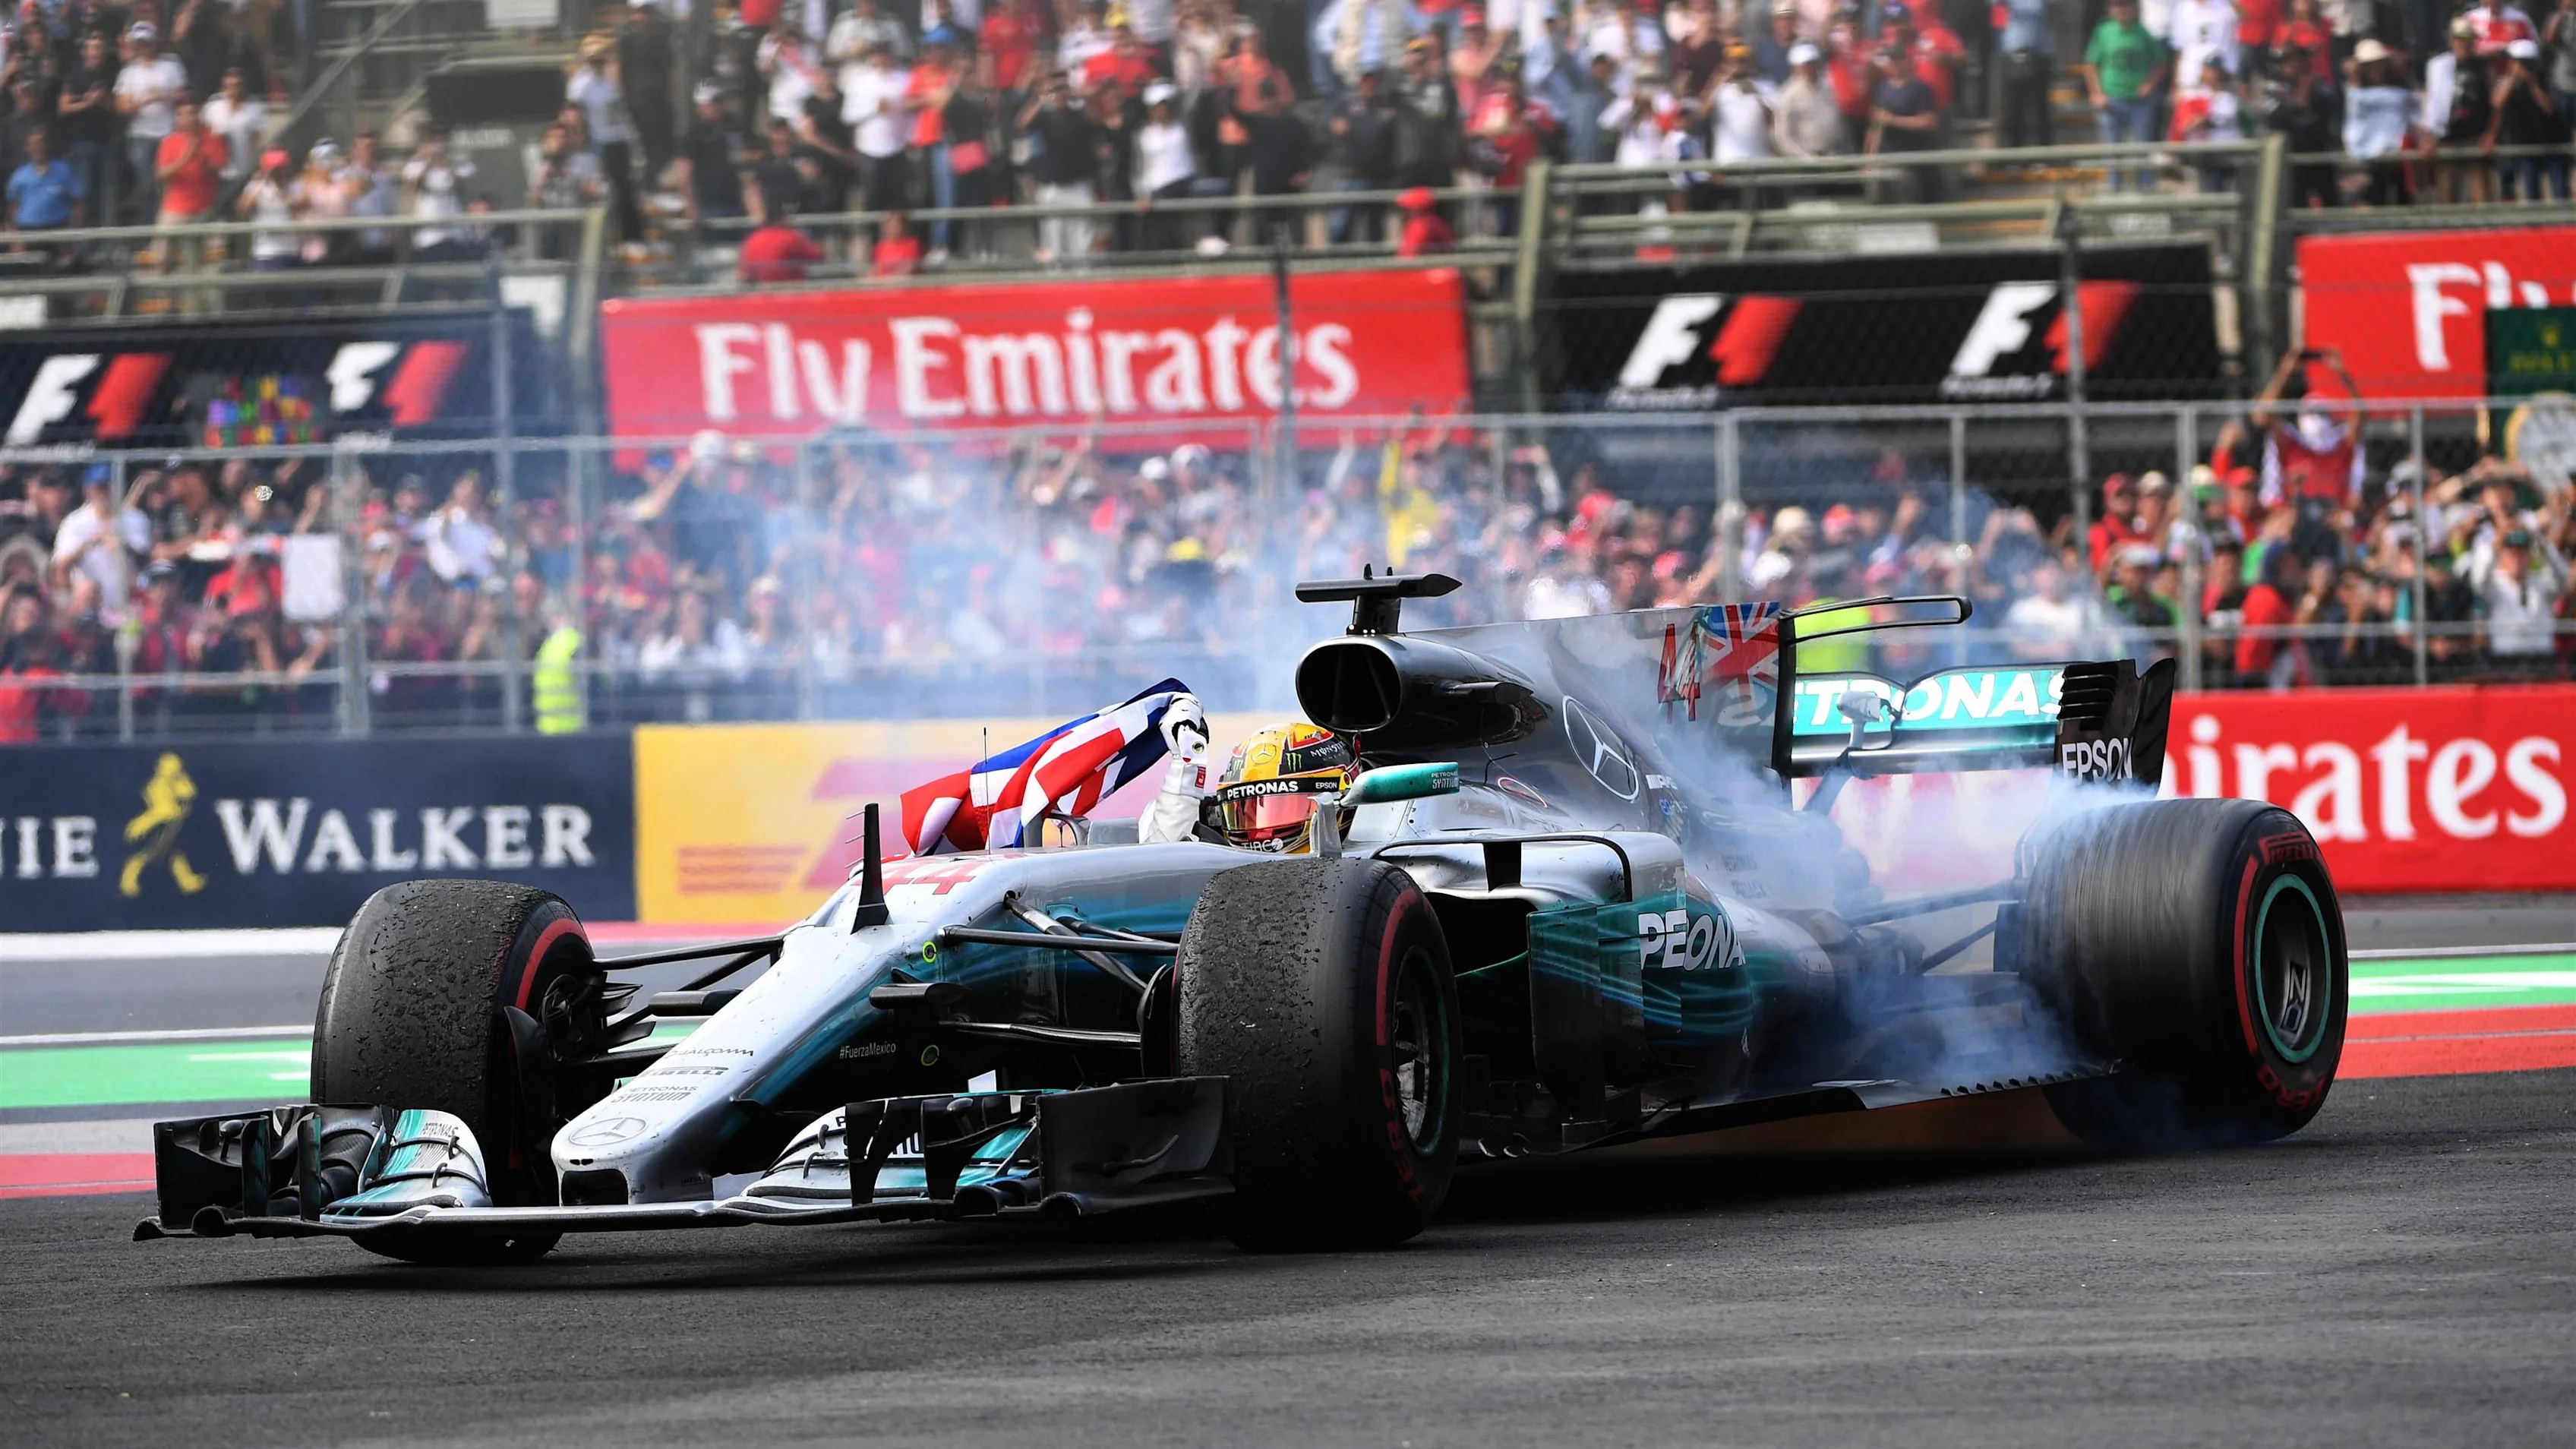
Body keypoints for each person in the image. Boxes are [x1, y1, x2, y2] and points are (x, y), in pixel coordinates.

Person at [2082, 0, 2168, 189]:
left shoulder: (2142, 32)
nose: (2122, 10)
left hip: (2140, 101)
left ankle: (2146, 189)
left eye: (2126, 5)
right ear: (2111, 9)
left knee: (2142, 147)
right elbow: (2090, 65)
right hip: (2112, 99)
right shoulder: (2103, 31)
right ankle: (2114, 189)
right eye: (2117, 6)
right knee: (2112, 149)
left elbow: (2162, 61)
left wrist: (2149, 84)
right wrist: (2096, 93)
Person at [567, 34, 643, 241]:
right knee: (606, 190)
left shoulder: (613, 78)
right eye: (594, 59)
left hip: (621, 138)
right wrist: (583, 143)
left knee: (627, 188)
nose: (599, 63)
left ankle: (632, 234)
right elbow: (574, 117)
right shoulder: (581, 85)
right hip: (600, 142)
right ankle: (611, 236)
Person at [113, 23, 188, 221]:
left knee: (170, 185)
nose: (144, 47)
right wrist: (146, 100)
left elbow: (182, 94)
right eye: (139, 43)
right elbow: (122, 107)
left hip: (169, 133)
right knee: (147, 186)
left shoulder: (172, 64)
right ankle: (149, 230)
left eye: (147, 43)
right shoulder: (128, 72)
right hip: (141, 135)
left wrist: (165, 96)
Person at [2421, 18, 2494, 204]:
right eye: (2459, 38)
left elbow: (2493, 103)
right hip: (2447, 137)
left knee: (2483, 197)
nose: (2463, 43)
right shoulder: (2438, 66)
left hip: (2475, 137)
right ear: (2451, 41)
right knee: (2448, 196)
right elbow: (2432, 102)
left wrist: (2491, 133)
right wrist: (2429, 135)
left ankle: (2486, 232)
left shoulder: (2483, 66)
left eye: (2467, 39)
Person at [2342, 38, 2415, 205]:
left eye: (2378, 64)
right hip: (2371, 157)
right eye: (2370, 65)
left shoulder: (2401, 88)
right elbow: (2353, 118)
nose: (2375, 70)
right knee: (2377, 199)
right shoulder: (2354, 92)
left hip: (2398, 155)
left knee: (2403, 199)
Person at [2490, 37, 2561, 200]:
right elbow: (2497, 102)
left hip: (2540, 144)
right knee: (2518, 189)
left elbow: (2549, 108)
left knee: (2545, 190)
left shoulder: (2543, 80)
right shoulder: (2506, 80)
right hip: (2516, 144)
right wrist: (2513, 78)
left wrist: (2531, 82)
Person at [677, 81, 750, 224]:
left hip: (738, 202)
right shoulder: (693, 135)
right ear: (700, 106)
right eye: (712, 102)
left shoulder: (735, 128)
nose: (716, 106)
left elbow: (746, 166)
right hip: (709, 205)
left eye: (719, 101)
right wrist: (691, 207)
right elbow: (684, 175)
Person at [402, 128, 478, 260]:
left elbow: (464, 186)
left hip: (455, 232)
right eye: (435, 141)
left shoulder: (459, 162)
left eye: (443, 141)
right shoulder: (417, 163)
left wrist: (448, 163)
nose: (439, 146)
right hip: (428, 235)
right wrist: (429, 162)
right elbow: (411, 187)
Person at [1995, 0, 2055, 150]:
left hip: (2039, 56)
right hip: (2012, 55)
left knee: (2041, 108)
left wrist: (2012, 5)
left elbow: (2038, 8)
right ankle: (2015, 154)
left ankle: (2045, 153)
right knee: (2014, 109)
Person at [1772, 43, 1848, 156]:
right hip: (1805, 160)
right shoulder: (1787, 96)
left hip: (1832, 154)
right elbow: (1783, 137)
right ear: (1795, 67)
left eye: (1812, 64)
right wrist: (1805, 157)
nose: (1809, 69)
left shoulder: (1828, 88)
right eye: (1805, 65)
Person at [7, 128, 86, 235]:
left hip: (59, 229)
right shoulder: (19, 175)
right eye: (33, 144)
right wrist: (15, 238)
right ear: (27, 148)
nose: (38, 148)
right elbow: (13, 206)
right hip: (28, 231)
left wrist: (73, 229)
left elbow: (80, 201)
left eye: (40, 142)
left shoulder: (64, 170)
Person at [201, 67, 266, 186]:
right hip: (218, 170)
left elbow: (256, 139)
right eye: (230, 85)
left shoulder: (255, 106)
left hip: (243, 169)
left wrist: (253, 165)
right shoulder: (213, 105)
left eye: (237, 85)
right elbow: (206, 135)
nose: (234, 89)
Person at [740, 197, 826, 280]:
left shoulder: (752, 240)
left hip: (761, 292)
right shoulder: (790, 238)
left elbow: (744, 273)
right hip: (791, 291)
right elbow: (818, 256)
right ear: (782, 217)